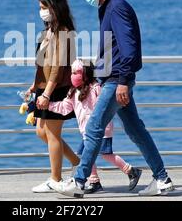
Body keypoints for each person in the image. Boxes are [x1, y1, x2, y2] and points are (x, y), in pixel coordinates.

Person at [56, 0, 174, 198]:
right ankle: (162, 179)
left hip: (116, 80)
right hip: (116, 78)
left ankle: (79, 181)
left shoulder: (117, 8)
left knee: (93, 127)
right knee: (136, 130)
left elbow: (128, 48)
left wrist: (121, 82)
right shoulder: (107, 8)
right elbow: (117, 48)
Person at [48, 59, 142, 194]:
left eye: (77, 72)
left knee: (106, 154)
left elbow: (104, 108)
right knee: (85, 154)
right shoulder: (73, 92)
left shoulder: (96, 88)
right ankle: (94, 181)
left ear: (85, 74)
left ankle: (131, 171)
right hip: (86, 131)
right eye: (72, 72)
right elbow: (63, 108)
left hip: (102, 129)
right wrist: (48, 106)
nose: (73, 75)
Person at [25, 0, 81, 193]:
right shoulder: (49, 30)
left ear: (54, 8)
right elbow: (42, 63)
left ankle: (55, 179)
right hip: (44, 86)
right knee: (42, 132)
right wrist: (35, 85)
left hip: (56, 88)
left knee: (52, 133)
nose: (40, 11)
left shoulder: (63, 31)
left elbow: (57, 67)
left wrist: (47, 94)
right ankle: (77, 162)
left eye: (43, 7)